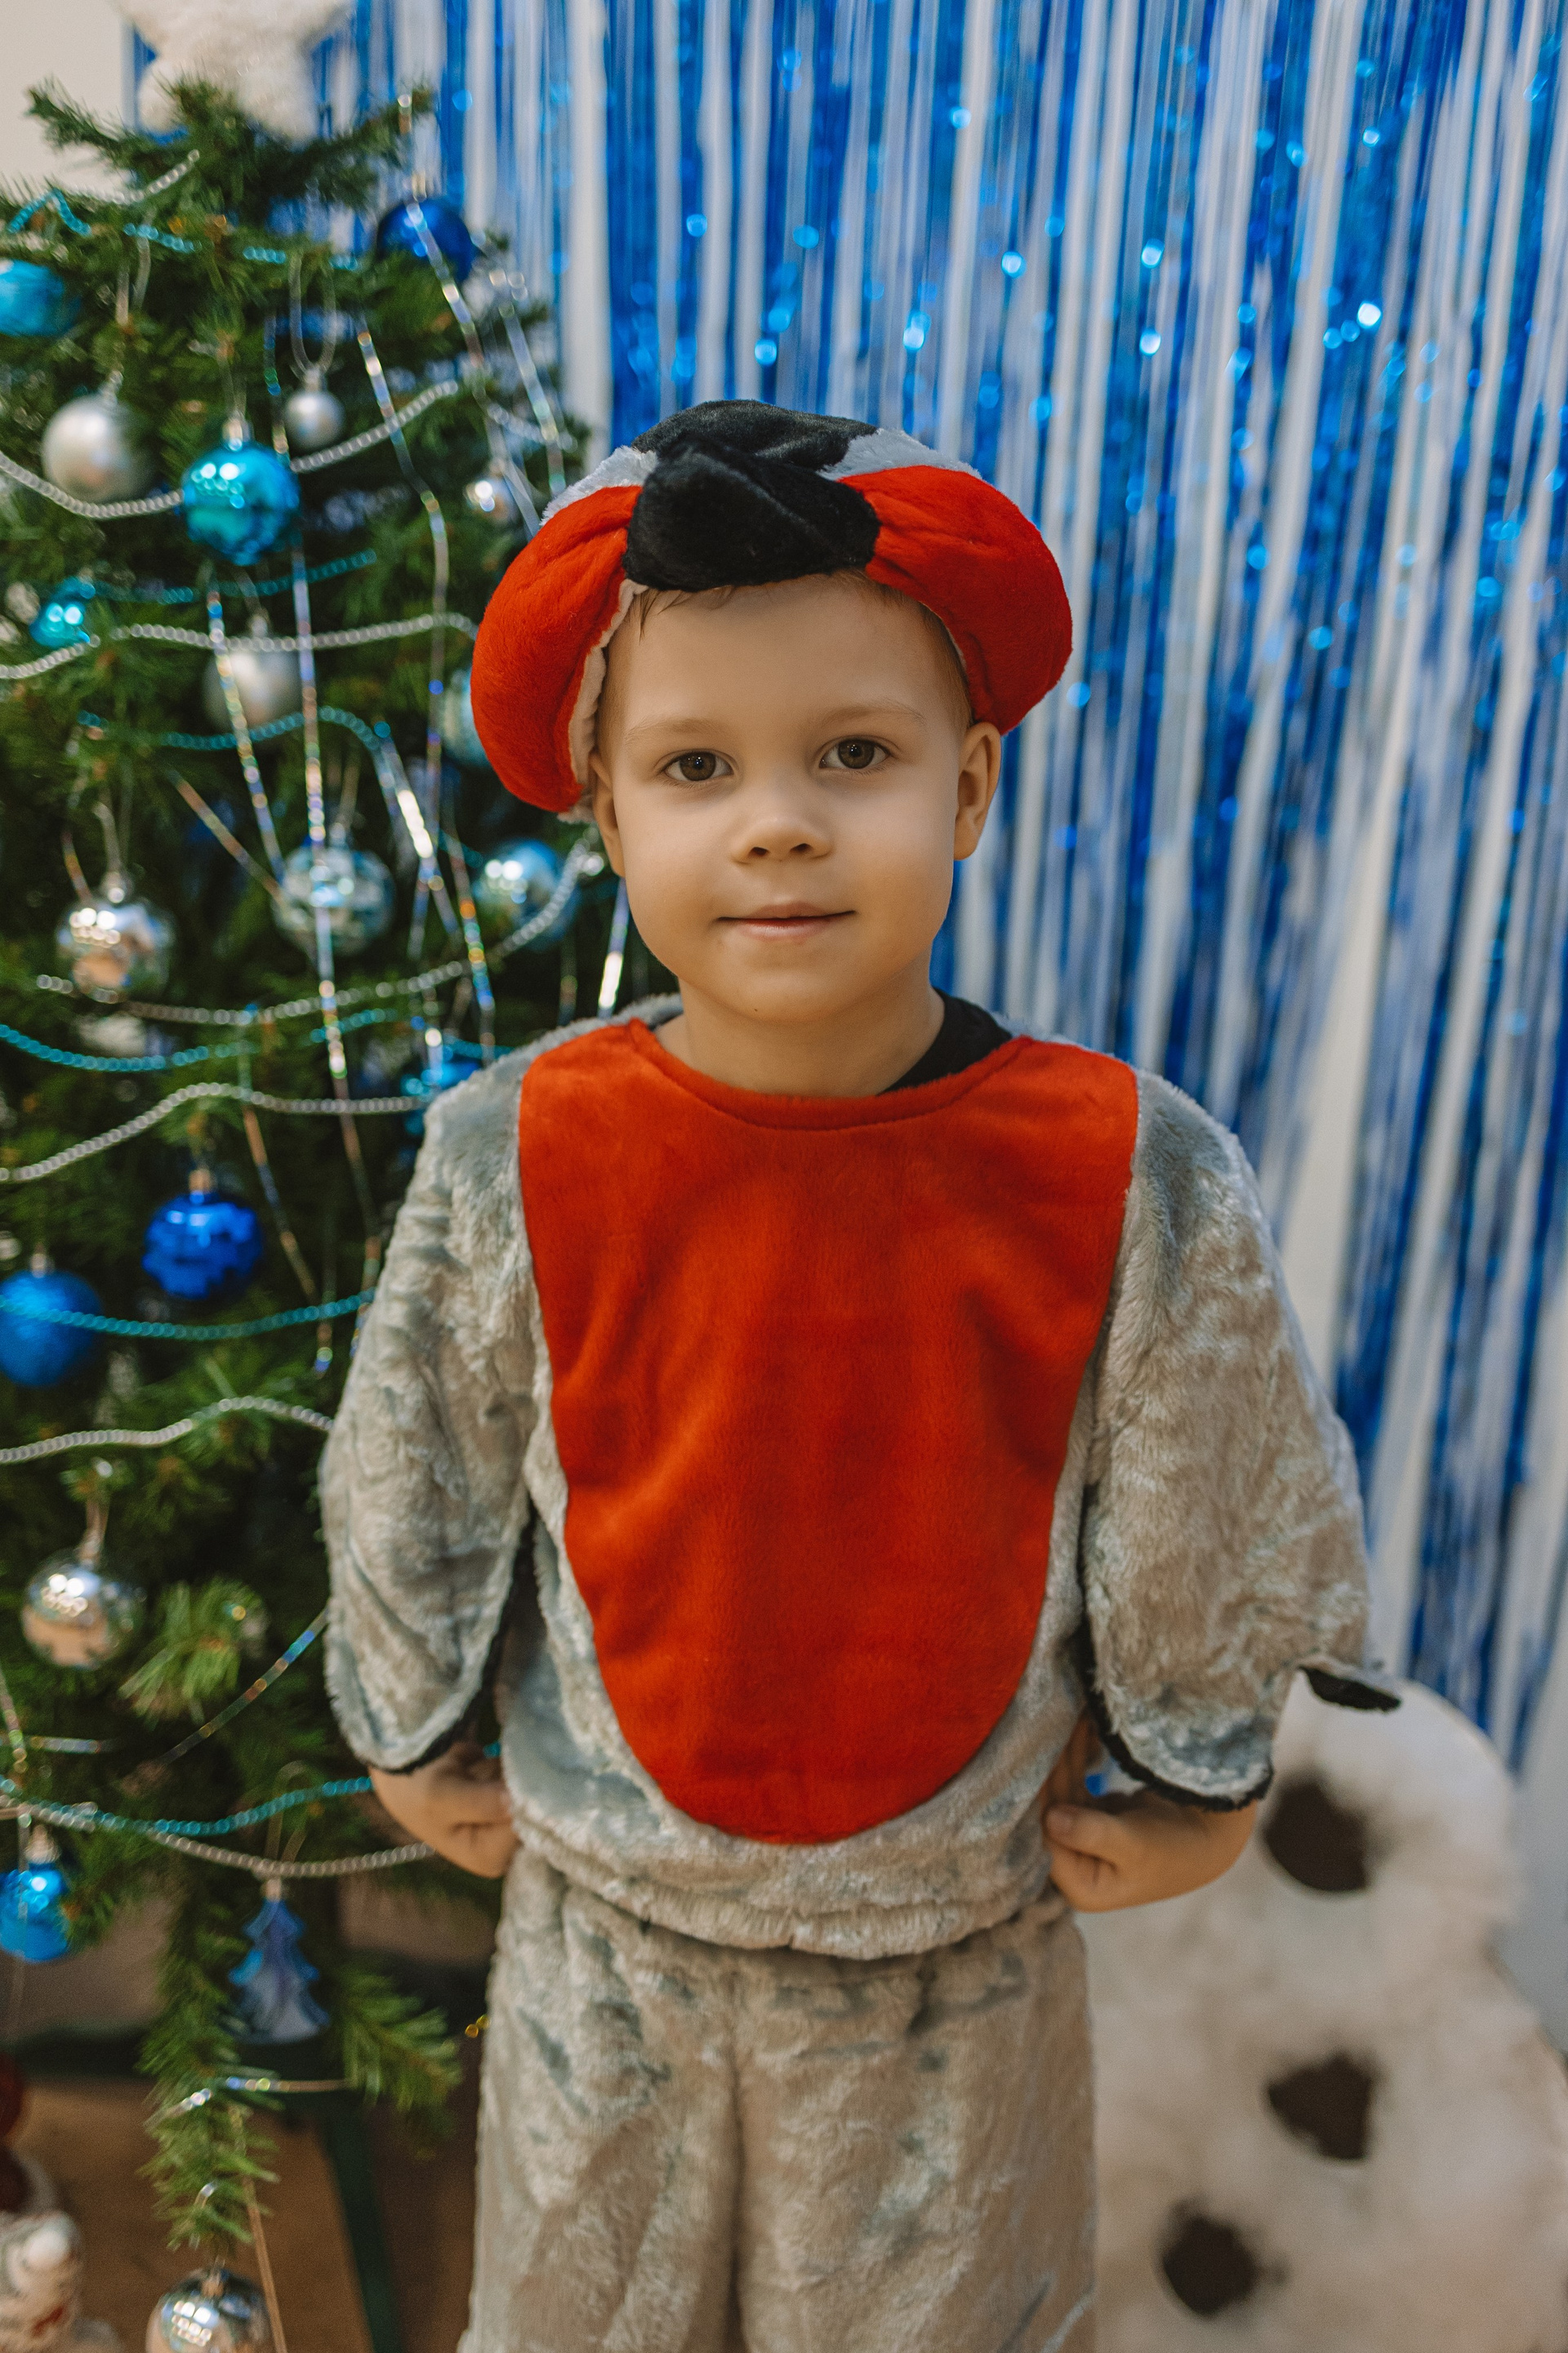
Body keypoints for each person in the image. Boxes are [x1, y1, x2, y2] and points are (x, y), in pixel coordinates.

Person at [323, 400, 1392, 2352]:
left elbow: (1205, 1479)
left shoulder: (1125, 1168)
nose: (778, 821)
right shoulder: (512, 1148)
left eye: (853, 755)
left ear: (967, 787)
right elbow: (421, 1453)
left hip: (949, 1961)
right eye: (697, 766)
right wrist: (409, 1720)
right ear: (607, 810)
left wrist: (1202, 1763)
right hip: (606, 1944)